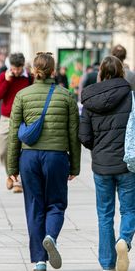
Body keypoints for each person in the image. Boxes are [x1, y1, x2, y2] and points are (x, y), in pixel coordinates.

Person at [7, 52, 81, 270]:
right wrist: (74, 165)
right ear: (53, 71)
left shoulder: (22, 95)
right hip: (56, 157)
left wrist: (11, 167)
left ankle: (40, 260)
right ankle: (51, 236)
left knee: (34, 206)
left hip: (29, 157)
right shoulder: (66, 96)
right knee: (56, 204)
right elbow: (73, 134)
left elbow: (13, 134)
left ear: (33, 71)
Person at [79, 55, 135, 271]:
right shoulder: (130, 96)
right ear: (121, 72)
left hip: (101, 165)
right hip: (126, 163)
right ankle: (124, 240)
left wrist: (99, 148)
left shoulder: (90, 99)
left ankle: (107, 264)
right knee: (129, 209)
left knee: (104, 214)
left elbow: (84, 136)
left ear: (100, 72)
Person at [0, 52, 32, 193]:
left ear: (23, 66)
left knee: (21, 151)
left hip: (24, 119)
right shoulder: (3, 76)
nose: (16, 71)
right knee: (3, 150)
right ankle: (10, 175)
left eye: (18, 68)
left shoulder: (29, 79)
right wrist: (7, 80)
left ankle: (17, 180)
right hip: (6, 118)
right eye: (13, 68)